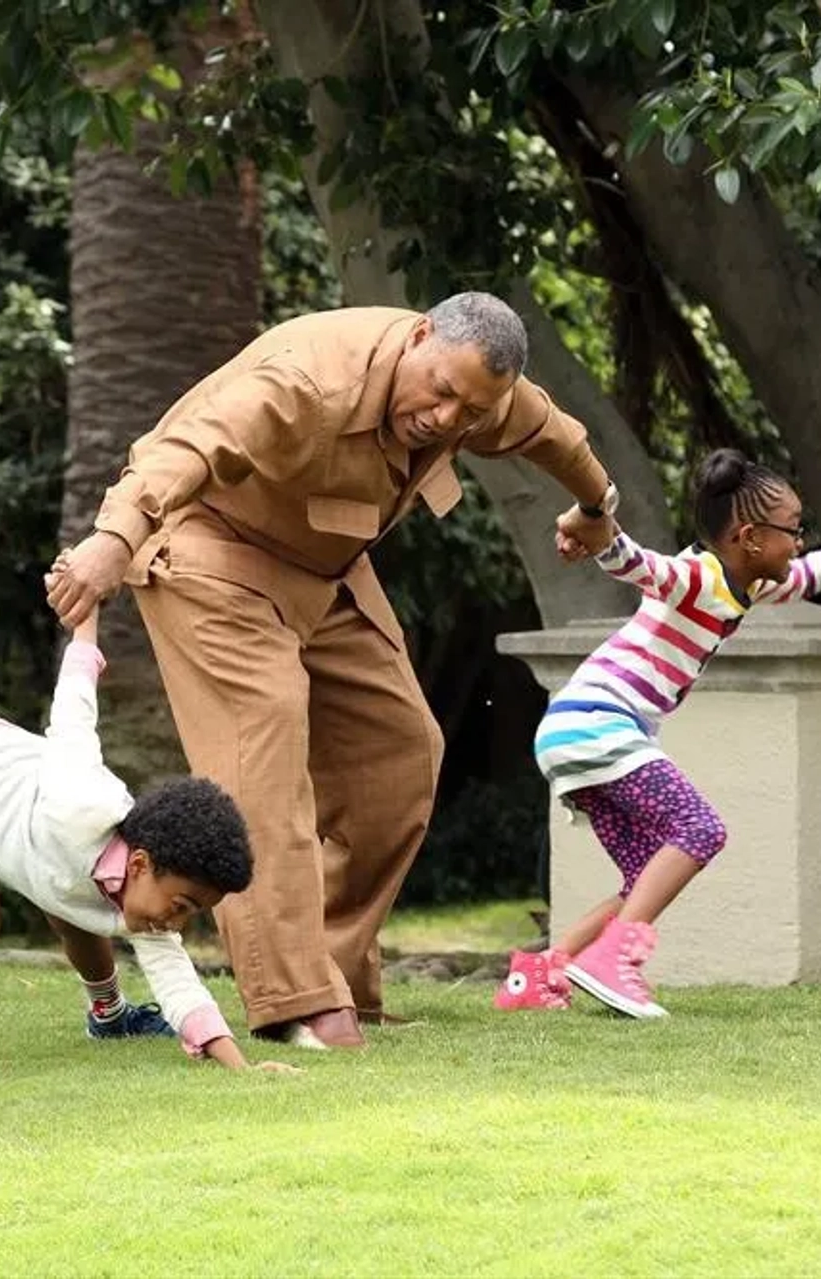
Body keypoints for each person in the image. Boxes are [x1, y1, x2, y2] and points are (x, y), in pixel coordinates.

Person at [46, 292, 620, 1049]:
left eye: (471, 412)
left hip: (324, 567)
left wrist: (596, 507)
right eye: (442, 392)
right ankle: (292, 1002)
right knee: (264, 748)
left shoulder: (483, 397)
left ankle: (335, 974)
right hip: (210, 550)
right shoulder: (308, 380)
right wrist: (114, 540)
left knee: (403, 749)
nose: (448, 420)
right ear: (419, 337)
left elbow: (557, 436)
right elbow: (183, 448)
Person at [494, 448, 821, 1018]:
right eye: (792, 530)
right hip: (595, 722)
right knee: (699, 828)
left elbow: (815, 572)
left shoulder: (752, 584)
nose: (798, 542)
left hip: (577, 735)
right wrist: (597, 532)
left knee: (646, 875)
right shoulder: (697, 576)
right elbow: (639, 564)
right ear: (750, 537)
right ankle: (614, 962)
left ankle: (540, 974)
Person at [0, 601, 294, 1073]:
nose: (179, 923)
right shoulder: (82, 800)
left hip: (13, 795)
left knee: (77, 907)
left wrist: (243, 1071)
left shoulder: (148, 907)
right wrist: (86, 617)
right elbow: (74, 707)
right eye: (183, 905)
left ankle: (109, 1017)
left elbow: (181, 986)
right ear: (139, 864)